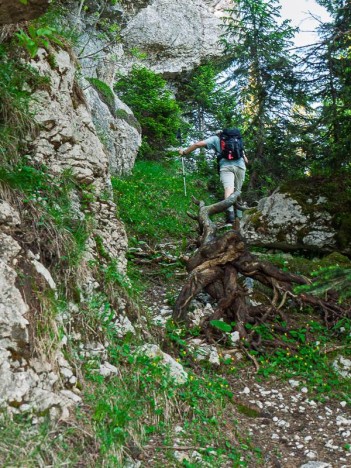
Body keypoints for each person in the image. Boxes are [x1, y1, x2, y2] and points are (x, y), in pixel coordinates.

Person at [179, 128, 248, 224]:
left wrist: (184, 152)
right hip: (240, 166)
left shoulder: (216, 139)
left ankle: (230, 218)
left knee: (228, 190)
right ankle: (240, 219)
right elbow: (246, 160)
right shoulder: (237, 140)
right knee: (237, 192)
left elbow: (198, 144)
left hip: (226, 167)